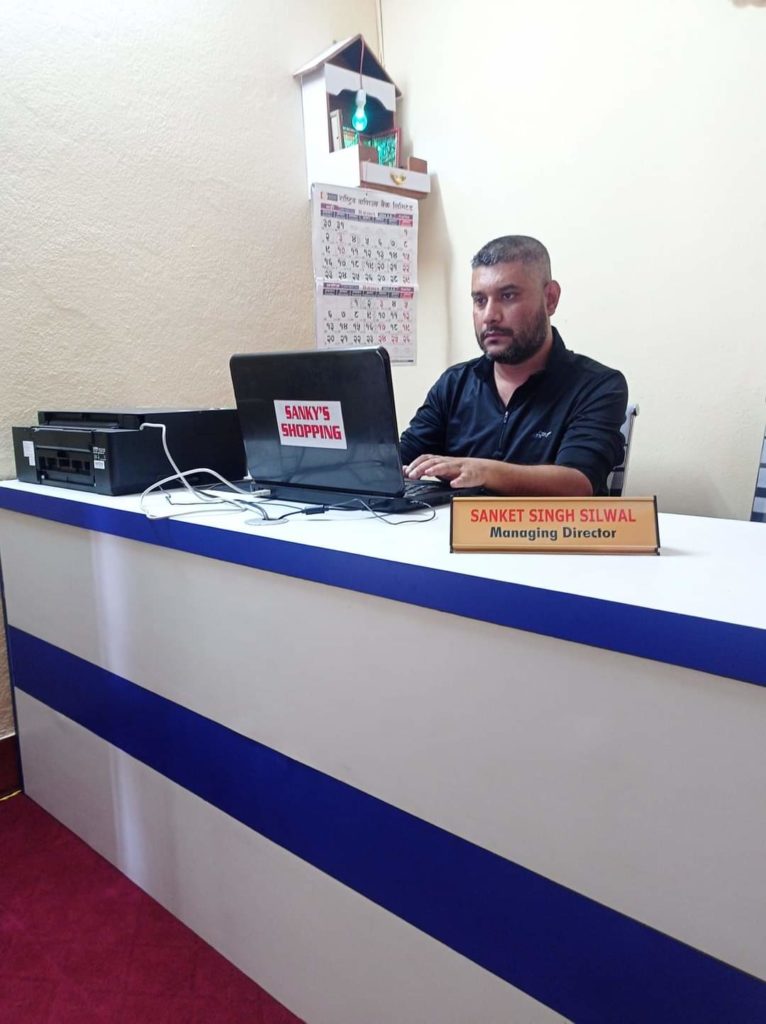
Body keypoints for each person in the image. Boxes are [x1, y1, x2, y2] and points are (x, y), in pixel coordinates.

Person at [400, 235, 628, 496]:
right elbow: (396, 462)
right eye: (480, 300)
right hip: (447, 523)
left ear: (550, 299)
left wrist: (481, 471)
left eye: (508, 296)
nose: (489, 316)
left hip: (547, 524)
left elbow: (578, 483)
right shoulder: (454, 384)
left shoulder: (597, 386)